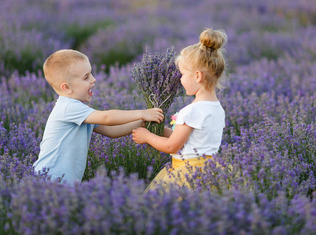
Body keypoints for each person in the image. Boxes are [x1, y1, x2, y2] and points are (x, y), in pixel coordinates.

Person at [33, 49, 164, 185]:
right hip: (50, 178)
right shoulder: (68, 107)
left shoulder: (81, 111)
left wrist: (141, 123)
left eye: (91, 74)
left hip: (65, 180)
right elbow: (106, 118)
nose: (93, 79)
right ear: (66, 88)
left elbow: (111, 132)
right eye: (86, 77)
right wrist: (142, 113)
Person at [132, 28, 227, 191]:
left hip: (186, 175)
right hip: (210, 173)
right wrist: (162, 130)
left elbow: (171, 147)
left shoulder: (191, 111)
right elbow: (189, 140)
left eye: (182, 74)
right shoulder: (217, 108)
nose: (179, 79)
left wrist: (147, 136)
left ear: (197, 76)